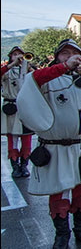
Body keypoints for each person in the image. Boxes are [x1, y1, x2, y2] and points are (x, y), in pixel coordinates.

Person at [17, 39, 81, 249]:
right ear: (57, 57)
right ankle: (62, 234)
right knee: (59, 192)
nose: (72, 56)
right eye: (65, 53)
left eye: (76, 53)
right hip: (57, 148)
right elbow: (32, 79)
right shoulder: (46, 79)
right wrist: (65, 67)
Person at [1, 46, 36, 178]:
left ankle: (24, 165)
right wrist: (11, 65)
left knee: (26, 138)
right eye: (15, 54)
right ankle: (15, 166)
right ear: (11, 56)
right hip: (11, 106)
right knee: (13, 138)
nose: (18, 56)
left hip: (25, 107)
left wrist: (28, 67)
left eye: (20, 54)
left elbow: (40, 79)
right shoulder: (7, 72)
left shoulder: (28, 71)